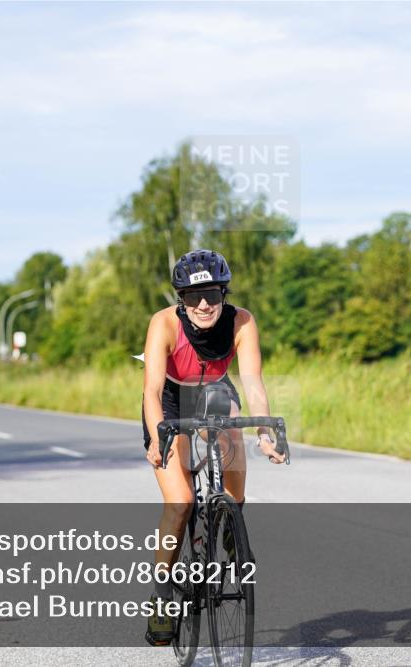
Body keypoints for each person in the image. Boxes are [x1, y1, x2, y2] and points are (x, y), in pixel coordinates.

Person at [141, 249, 285, 646]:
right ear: (180, 300)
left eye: (212, 295)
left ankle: (230, 521)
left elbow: (252, 380)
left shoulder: (242, 321)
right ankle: (162, 596)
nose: (204, 304)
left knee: (233, 429)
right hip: (170, 399)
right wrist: (157, 436)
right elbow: (151, 389)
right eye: (192, 297)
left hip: (215, 389)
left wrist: (265, 434)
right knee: (181, 502)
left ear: (224, 293)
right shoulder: (164, 324)